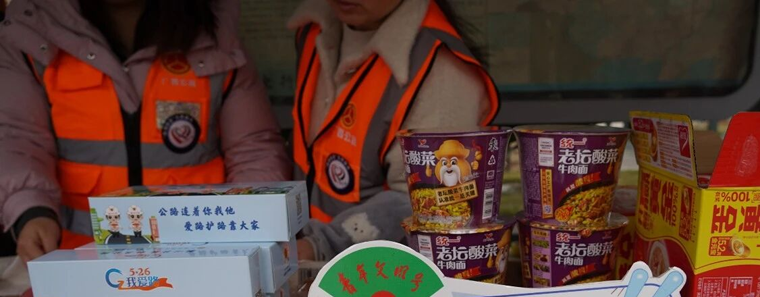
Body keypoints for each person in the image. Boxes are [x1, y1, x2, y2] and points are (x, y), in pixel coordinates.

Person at [0, 0, 290, 261]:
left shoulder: (218, 36)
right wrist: (30, 210)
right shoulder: (28, 35)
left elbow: (254, 149)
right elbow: (16, 138)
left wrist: (250, 236)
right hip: (79, 266)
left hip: (200, 263)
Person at [288, 0, 499, 261]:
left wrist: (320, 245)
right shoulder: (313, 30)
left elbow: (423, 203)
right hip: (307, 261)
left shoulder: (441, 70)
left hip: (374, 272)